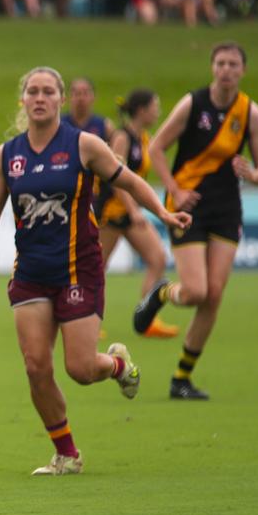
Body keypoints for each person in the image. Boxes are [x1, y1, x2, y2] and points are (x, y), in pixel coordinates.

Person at [0, 67, 190, 475]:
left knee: (81, 370)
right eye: (33, 91)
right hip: (30, 272)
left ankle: (117, 365)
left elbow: (131, 182)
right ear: (23, 100)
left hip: (78, 270)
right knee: (36, 367)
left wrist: (163, 213)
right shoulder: (6, 155)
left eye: (49, 91)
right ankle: (67, 454)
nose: (40, 97)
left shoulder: (85, 145)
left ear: (61, 100)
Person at [133, 42, 258, 400]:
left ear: (243, 70)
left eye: (234, 64)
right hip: (187, 207)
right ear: (212, 67)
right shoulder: (193, 104)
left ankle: (182, 378)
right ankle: (163, 291)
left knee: (214, 296)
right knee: (196, 291)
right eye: (221, 63)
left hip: (226, 209)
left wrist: (253, 175)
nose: (227, 70)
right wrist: (175, 190)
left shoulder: (251, 114)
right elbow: (157, 147)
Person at [95, 89, 178, 338]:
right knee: (96, 269)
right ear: (141, 110)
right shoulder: (122, 137)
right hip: (112, 212)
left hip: (130, 213)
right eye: (155, 105)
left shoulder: (144, 137)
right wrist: (134, 209)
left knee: (157, 259)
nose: (158, 111)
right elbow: (114, 177)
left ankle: (147, 317)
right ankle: (86, 322)